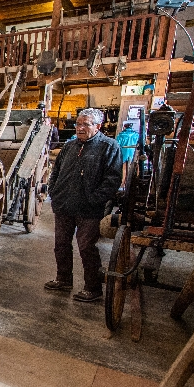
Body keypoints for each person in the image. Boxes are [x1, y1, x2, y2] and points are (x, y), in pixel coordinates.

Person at [44, 108, 123, 302]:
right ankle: (63, 279)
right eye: (78, 124)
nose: (80, 128)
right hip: (64, 205)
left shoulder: (109, 146)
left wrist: (95, 199)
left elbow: (113, 179)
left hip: (89, 209)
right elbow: (56, 171)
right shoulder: (70, 146)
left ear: (98, 126)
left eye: (85, 124)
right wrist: (54, 192)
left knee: (87, 247)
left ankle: (92, 288)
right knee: (61, 244)